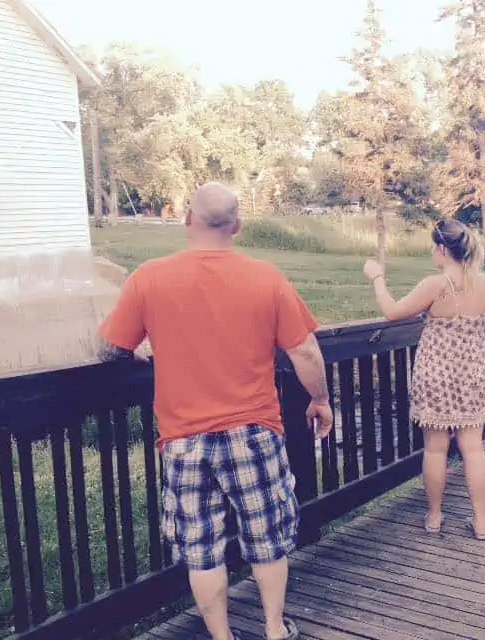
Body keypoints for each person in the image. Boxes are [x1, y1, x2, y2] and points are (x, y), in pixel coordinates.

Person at [97, 183, 332, 640]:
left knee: (202, 548)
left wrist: (144, 352)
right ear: (238, 226)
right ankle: (273, 629)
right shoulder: (267, 278)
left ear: (188, 219)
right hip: (255, 431)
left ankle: (222, 637)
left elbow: (110, 350)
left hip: (183, 439)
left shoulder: (149, 278)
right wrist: (320, 400)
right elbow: (305, 352)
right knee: (266, 538)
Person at [363, 218, 485, 540]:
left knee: (436, 449)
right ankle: (481, 522)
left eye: (432, 247)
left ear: (442, 249)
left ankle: (435, 516)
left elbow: (393, 312)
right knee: (473, 447)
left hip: (436, 372)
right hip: (473, 372)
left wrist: (378, 278)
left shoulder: (436, 284)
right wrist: (466, 331)